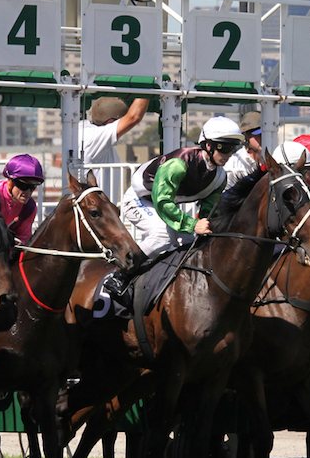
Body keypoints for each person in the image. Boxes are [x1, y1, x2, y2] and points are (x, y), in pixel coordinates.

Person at [106, 115, 243, 311]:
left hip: (165, 205)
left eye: (233, 148)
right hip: (139, 200)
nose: (229, 153)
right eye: (224, 147)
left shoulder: (219, 177)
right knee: (161, 235)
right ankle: (119, 275)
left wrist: (209, 225)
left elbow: (209, 210)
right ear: (208, 146)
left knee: (190, 244)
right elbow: (162, 202)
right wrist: (193, 225)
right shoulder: (179, 164)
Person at [222, 110, 266, 186]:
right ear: (245, 138)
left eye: (265, 134)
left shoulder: (277, 158)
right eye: (258, 135)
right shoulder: (233, 164)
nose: (262, 138)